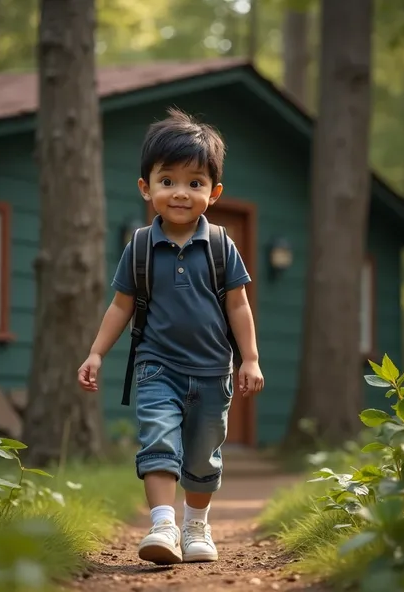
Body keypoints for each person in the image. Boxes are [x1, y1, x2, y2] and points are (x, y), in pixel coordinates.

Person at [77, 108, 264, 566]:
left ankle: (196, 526)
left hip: (211, 369)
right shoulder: (139, 247)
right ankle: (163, 523)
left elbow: (238, 305)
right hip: (156, 364)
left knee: (202, 455)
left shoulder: (221, 245)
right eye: (168, 181)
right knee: (159, 439)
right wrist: (97, 354)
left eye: (195, 183)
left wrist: (251, 359)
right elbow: (121, 306)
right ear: (147, 188)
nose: (181, 192)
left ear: (213, 193)